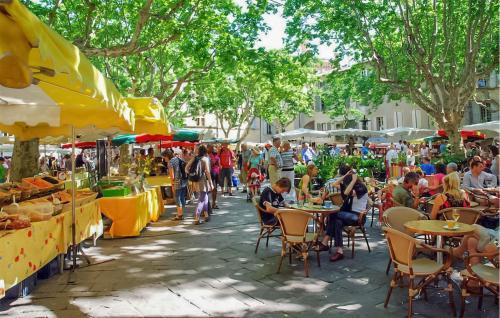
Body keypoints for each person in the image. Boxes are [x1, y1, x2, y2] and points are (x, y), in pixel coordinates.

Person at [317, 165, 369, 262]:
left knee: (333, 214)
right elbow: (334, 184)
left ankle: (325, 242)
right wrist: (345, 175)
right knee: (337, 221)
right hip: (348, 215)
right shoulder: (349, 184)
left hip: (358, 216)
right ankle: (339, 251)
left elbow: (346, 193)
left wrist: (353, 180)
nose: (344, 183)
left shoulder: (361, 187)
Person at [186, 145, 214, 225]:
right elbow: (208, 172)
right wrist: (211, 183)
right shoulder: (205, 159)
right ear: (205, 151)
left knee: (205, 198)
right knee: (202, 200)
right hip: (202, 181)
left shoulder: (195, 158)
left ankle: (206, 215)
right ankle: (197, 218)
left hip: (195, 181)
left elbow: (186, 168)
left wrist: (192, 175)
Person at [163, 149, 188, 220]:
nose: (163, 158)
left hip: (177, 182)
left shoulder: (170, 163)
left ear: (167, 156)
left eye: (164, 157)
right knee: (182, 197)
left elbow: (172, 176)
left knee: (177, 198)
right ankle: (181, 213)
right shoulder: (177, 158)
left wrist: (172, 185)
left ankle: (179, 215)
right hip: (183, 180)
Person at [208, 145, 221, 209]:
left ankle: (214, 203)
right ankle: (213, 203)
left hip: (215, 173)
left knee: (214, 189)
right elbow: (214, 164)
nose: (215, 150)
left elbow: (219, 165)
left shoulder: (215, 156)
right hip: (212, 173)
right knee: (214, 189)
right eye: (214, 149)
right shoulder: (210, 156)